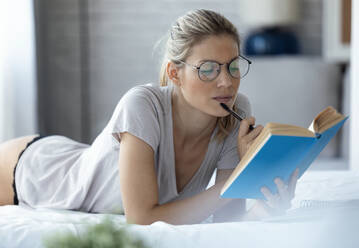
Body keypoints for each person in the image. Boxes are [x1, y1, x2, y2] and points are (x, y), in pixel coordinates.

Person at [0, 9, 298, 225]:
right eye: (208, 69)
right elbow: (142, 219)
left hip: (70, 157)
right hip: (26, 173)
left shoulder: (236, 111)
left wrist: (262, 209)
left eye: (233, 67)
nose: (226, 82)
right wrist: (239, 178)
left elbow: (225, 219)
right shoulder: (142, 105)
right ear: (174, 73)